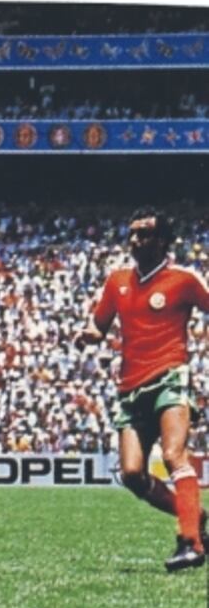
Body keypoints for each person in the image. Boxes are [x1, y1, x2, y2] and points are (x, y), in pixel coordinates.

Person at [73, 206, 209, 573]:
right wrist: (91, 335)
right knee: (132, 474)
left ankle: (190, 542)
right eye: (132, 233)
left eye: (144, 234)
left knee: (173, 454)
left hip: (169, 377)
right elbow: (100, 324)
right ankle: (196, 516)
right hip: (130, 387)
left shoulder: (184, 279)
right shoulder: (117, 281)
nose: (135, 240)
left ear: (163, 241)